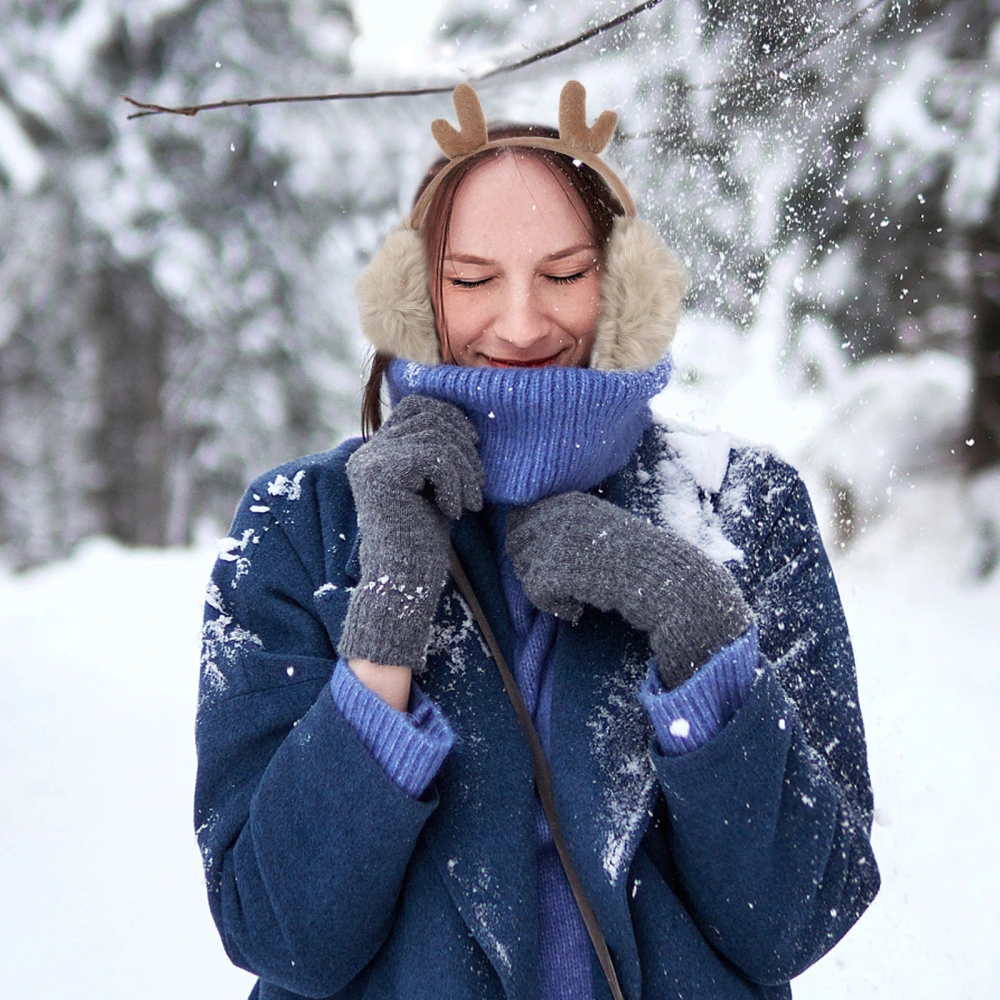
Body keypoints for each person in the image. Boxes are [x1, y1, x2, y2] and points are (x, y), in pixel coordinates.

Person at [195, 82, 880, 1000]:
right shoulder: (298, 524)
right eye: (472, 279)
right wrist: (385, 618)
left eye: (564, 274)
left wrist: (696, 622)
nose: (520, 324)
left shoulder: (748, 510)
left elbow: (798, 918)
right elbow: (279, 932)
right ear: (415, 298)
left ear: (626, 287)